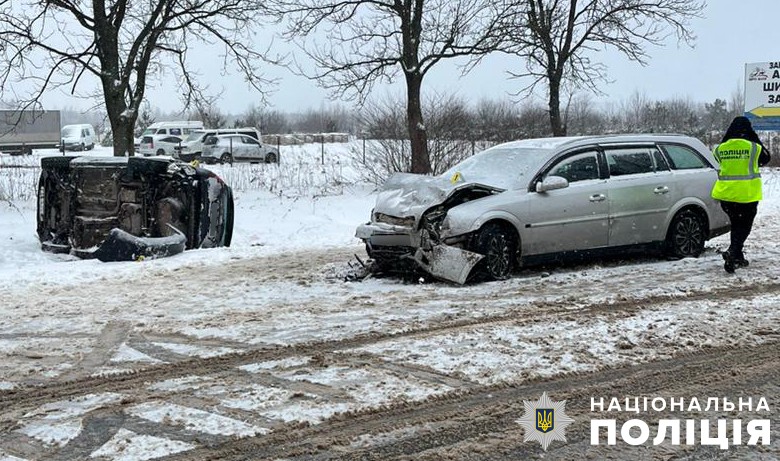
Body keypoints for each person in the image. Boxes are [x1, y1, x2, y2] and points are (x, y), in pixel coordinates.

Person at [711, 116, 771, 273]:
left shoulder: (719, 148)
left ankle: (737, 257)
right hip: (746, 195)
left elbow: (718, 162)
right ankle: (733, 251)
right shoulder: (753, 147)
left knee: (736, 224)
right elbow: (766, 158)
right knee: (744, 226)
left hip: (726, 195)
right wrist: (755, 138)